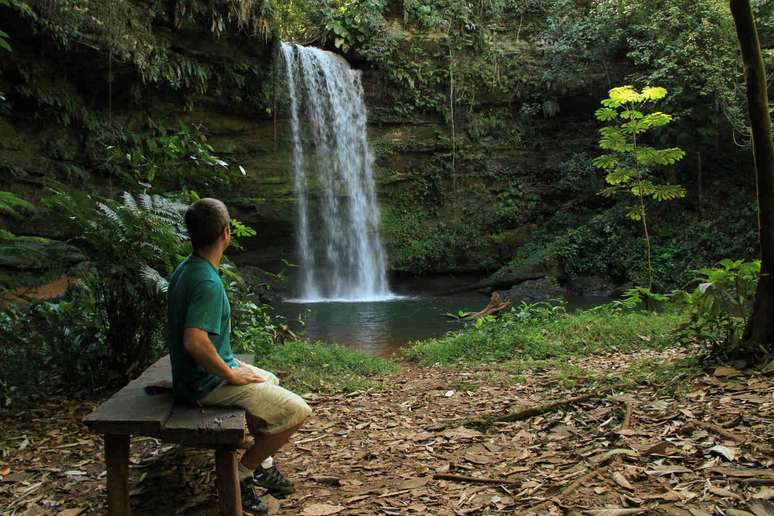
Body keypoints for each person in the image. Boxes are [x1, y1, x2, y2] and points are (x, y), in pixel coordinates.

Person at [167, 198, 312, 515]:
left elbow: (200, 342)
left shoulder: (187, 269)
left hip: (193, 376)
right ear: (225, 233)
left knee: (267, 377)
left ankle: (264, 464)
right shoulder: (207, 282)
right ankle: (241, 474)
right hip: (202, 385)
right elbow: (194, 341)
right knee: (298, 411)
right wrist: (230, 374)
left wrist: (232, 363)